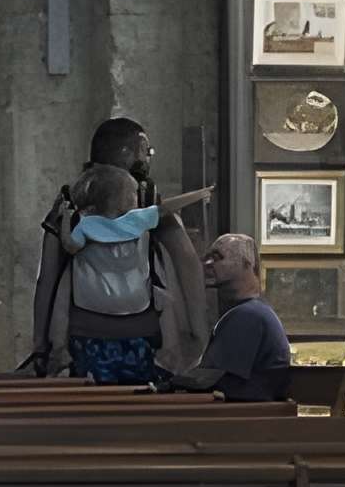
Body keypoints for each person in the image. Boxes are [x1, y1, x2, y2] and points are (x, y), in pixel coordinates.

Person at [26, 116, 207, 376]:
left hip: (82, 333)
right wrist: (199, 334)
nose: (147, 159)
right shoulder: (146, 197)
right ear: (126, 152)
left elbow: (48, 277)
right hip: (141, 331)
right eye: (146, 151)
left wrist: (41, 343)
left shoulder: (70, 200)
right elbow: (186, 259)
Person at [162, 233, 293, 402]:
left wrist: (169, 384)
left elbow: (207, 380)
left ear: (247, 264)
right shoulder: (254, 311)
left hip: (246, 418)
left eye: (217, 257)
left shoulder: (248, 315)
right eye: (207, 257)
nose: (207, 264)